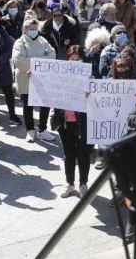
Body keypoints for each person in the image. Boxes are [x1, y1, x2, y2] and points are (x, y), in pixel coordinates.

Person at [10, 17, 56, 141]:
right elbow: (19, 61)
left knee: (45, 104)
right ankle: (30, 130)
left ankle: (42, 129)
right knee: (28, 106)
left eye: (35, 29)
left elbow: (53, 55)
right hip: (26, 78)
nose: (34, 31)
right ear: (25, 30)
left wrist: (34, 61)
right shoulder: (20, 43)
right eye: (31, 29)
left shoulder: (43, 40)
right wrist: (40, 61)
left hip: (42, 78)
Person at [54, 46, 92, 198]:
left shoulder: (90, 76)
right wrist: (36, 77)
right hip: (65, 122)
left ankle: (83, 184)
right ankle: (70, 184)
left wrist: (90, 92)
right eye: (72, 58)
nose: (75, 61)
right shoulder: (59, 76)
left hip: (83, 122)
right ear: (67, 59)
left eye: (78, 59)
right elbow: (48, 88)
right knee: (68, 154)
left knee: (84, 154)